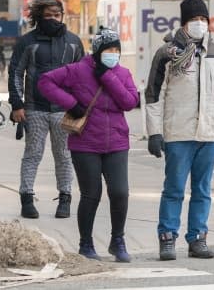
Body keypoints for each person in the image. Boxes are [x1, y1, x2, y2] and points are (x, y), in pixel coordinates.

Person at [145, 0, 214, 260]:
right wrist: (154, 133)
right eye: (193, 19)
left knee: (202, 190)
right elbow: (153, 95)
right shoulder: (167, 53)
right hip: (178, 134)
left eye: (203, 19)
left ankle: (198, 238)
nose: (199, 23)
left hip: (208, 134)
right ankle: (167, 238)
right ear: (184, 22)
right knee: (174, 189)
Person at [38, 28, 139, 262]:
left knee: (120, 192)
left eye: (116, 50)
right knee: (91, 194)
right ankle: (86, 244)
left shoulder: (122, 73)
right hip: (85, 143)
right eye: (108, 50)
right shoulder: (78, 70)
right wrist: (71, 104)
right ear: (98, 51)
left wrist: (107, 76)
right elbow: (45, 82)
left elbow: (130, 102)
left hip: (116, 142)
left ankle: (118, 241)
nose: (113, 54)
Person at [8, 0, 85, 219]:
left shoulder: (73, 42)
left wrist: (80, 106)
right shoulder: (27, 42)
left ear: (62, 15)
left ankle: (65, 198)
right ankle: (27, 198)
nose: (53, 19)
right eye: (48, 15)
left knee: (64, 155)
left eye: (56, 15)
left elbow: (83, 75)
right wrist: (17, 104)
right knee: (33, 154)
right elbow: (15, 72)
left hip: (65, 110)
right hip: (34, 108)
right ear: (39, 16)